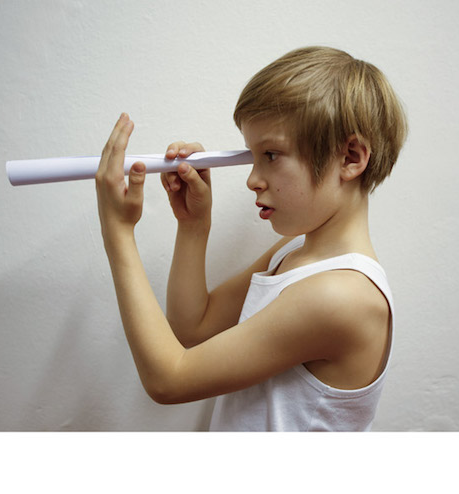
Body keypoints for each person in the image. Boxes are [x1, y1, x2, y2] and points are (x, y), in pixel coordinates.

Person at [95, 46, 407, 431]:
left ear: (351, 158)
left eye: (271, 155)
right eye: (252, 157)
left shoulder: (340, 296)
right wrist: (193, 225)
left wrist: (118, 233)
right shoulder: (293, 253)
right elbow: (192, 328)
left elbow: (168, 379)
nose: (252, 179)